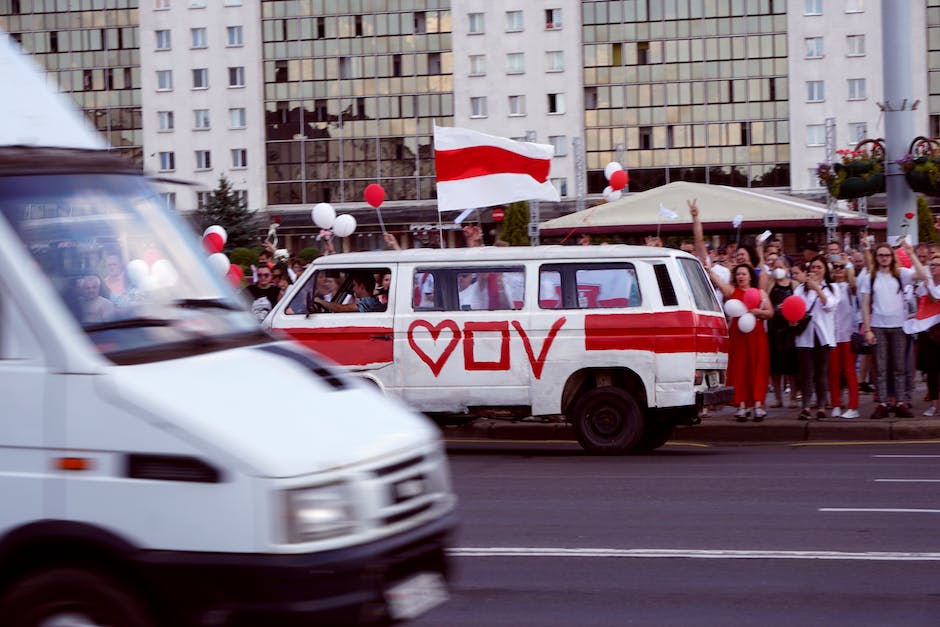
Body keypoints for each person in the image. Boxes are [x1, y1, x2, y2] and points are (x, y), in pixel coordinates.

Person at [859, 240, 926, 418]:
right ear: (876, 257)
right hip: (879, 327)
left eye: (887, 255)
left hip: (899, 326)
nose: (884, 258)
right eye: (880, 255)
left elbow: (921, 275)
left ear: (892, 257)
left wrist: (911, 253)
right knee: (880, 368)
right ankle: (882, 403)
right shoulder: (870, 277)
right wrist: (867, 330)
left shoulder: (901, 274)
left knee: (900, 367)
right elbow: (865, 305)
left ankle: (901, 402)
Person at [708, 262, 773, 422]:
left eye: (744, 273)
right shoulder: (732, 291)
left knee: (758, 368)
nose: (741, 276)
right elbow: (718, 281)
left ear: (751, 276)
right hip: (738, 336)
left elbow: (770, 313)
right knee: (740, 369)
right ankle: (742, 406)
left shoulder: (760, 292)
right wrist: (710, 271)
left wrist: (759, 312)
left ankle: (758, 405)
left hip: (757, 335)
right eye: (738, 274)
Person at [792, 257, 839, 420]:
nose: (816, 270)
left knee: (821, 372)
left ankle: (821, 406)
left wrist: (817, 289)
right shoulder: (800, 289)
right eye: (813, 267)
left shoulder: (832, 288)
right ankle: (805, 406)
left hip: (823, 336)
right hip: (805, 336)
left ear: (825, 269)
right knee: (806, 373)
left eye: (819, 267)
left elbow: (830, 305)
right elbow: (795, 309)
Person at [827, 257, 860, 419]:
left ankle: (853, 406)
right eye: (835, 267)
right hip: (832, 335)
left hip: (848, 335)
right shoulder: (829, 287)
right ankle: (836, 404)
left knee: (849, 371)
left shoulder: (850, 288)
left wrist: (848, 263)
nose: (838, 269)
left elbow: (854, 283)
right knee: (833, 371)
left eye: (841, 267)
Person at [766, 256, 799, 408]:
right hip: (774, 329)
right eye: (775, 267)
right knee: (776, 367)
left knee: (791, 367)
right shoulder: (770, 285)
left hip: (789, 330)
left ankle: (793, 396)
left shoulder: (794, 285)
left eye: (781, 266)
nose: (778, 269)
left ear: (787, 269)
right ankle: (778, 398)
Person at [915, 252, 940, 416]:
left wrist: (927, 286)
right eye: (931, 265)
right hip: (930, 333)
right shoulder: (925, 284)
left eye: (936, 265)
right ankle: (934, 405)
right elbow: (921, 303)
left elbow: (935, 299)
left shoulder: (929, 285)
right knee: (932, 370)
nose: (933, 268)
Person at [314, 271, 385, 313]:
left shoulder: (368, 302)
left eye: (354, 285)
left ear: (362, 286)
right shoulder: (372, 301)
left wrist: (319, 301)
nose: (353, 289)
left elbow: (341, 308)